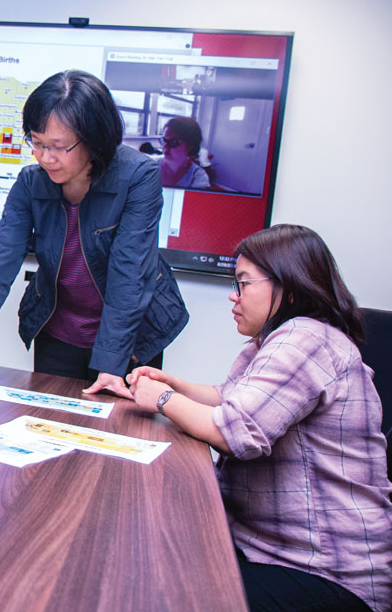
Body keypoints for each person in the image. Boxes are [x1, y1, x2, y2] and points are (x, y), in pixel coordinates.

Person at [128, 224, 391, 612]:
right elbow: (226, 398)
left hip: (326, 574)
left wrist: (163, 398)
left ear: (290, 287)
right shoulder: (272, 341)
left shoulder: (305, 339)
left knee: (162, 591)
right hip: (272, 550)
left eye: (243, 284)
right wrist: (173, 384)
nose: (233, 297)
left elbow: (236, 431)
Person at [0, 70, 188, 397]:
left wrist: (111, 363)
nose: (46, 157)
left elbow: (129, 273)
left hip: (129, 338)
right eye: (37, 142)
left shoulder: (137, 176)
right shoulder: (30, 183)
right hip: (59, 332)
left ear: (94, 138)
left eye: (59, 147)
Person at [159, 117, 210, 189]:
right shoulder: (148, 167)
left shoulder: (198, 177)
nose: (165, 147)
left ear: (190, 145)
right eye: (164, 140)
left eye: (173, 142)